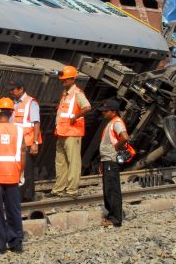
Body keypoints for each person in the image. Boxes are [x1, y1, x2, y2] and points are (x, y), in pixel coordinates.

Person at [0, 97, 25, 253]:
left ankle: (0, 244)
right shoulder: (19, 130)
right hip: (13, 175)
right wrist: (21, 173)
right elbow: (23, 153)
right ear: (12, 113)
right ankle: (16, 243)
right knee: (14, 210)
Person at [48, 66, 91, 198]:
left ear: (73, 79)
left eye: (66, 80)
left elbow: (87, 107)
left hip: (72, 133)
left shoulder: (77, 94)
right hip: (62, 133)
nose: (63, 82)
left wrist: (75, 117)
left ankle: (72, 190)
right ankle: (59, 189)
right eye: (63, 80)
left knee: (73, 162)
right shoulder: (65, 94)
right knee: (61, 162)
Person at [8, 80, 42, 202]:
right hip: (17, 143)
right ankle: (20, 194)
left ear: (21, 89)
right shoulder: (13, 103)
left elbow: (36, 123)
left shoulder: (31, 103)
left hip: (28, 142)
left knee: (27, 170)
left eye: (13, 89)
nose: (11, 91)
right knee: (19, 169)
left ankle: (28, 196)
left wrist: (35, 143)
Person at [98, 99, 129, 227]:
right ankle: (111, 215)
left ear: (113, 111)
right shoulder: (111, 122)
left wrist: (116, 147)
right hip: (107, 160)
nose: (103, 113)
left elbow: (125, 137)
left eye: (106, 111)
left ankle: (115, 219)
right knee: (108, 189)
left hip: (111, 160)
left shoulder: (116, 122)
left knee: (112, 189)